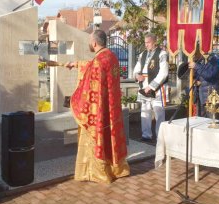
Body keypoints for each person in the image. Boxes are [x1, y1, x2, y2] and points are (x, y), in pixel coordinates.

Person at [65, 30, 130, 183]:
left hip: (99, 111)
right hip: (111, 108)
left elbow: (88, 86)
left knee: (97, 136)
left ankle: (97, 171)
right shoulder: (111, 57)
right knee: (110, 137)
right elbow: (93, 66)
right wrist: (76, 64)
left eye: (90, 40)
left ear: (94, 43)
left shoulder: (98, 61)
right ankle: (116, 168)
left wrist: (75, 99)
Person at [133, 33, 169, 142]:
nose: (146, 45)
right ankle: (146, 135)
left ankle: (160, 137)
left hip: (157, 87)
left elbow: (164, 72)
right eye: (145, 42)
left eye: (148, 42)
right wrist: (136, 75)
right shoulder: (142, 54)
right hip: (144, 86)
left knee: (159, 112)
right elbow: (136, 68)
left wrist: (152, 86)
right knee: (145, 111)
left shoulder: (162, 54)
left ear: (155, 42)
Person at [188, 49, 219, 117]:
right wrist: (195, 80)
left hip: (211, 97)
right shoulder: (200, 61)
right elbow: (197, 76)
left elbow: (210, 74)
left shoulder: (213, 61)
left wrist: (196, 66)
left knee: (211, 120)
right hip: (201, 96)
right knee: (201, 121)